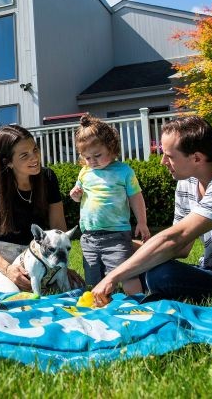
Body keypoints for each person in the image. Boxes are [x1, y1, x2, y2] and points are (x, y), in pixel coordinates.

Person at [91, 115, 212, 306]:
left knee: (162, 275)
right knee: (150, 265)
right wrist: (120, 244)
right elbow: (182, 248)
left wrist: (113, 276)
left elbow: (175, 238)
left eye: (169, 156)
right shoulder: (187, 183)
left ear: (196, 158)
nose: (162, 162)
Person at [0, 124, 83, 293]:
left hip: (40, 255)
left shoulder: (48, 178)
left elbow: (58, 225)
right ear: (8, 162)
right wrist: (7, 269)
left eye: (35, 149)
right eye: (25, 155)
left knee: (76, 288)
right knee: (12, 294)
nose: (35, 158)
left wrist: (60, 267)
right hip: (1, 257)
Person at [69, 114, 150, 294]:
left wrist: (142, 222)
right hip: (89, 237)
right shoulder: (84, 172)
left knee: (125, 273)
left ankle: (137, 303)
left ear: (112, 149)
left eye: (97, 155)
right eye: (87, 157)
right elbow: (78, 197)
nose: (92, 161)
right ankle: (102, 306)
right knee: (93, 278)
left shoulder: (123, 171)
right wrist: (75, 195)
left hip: (116, 235)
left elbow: (136, 197)